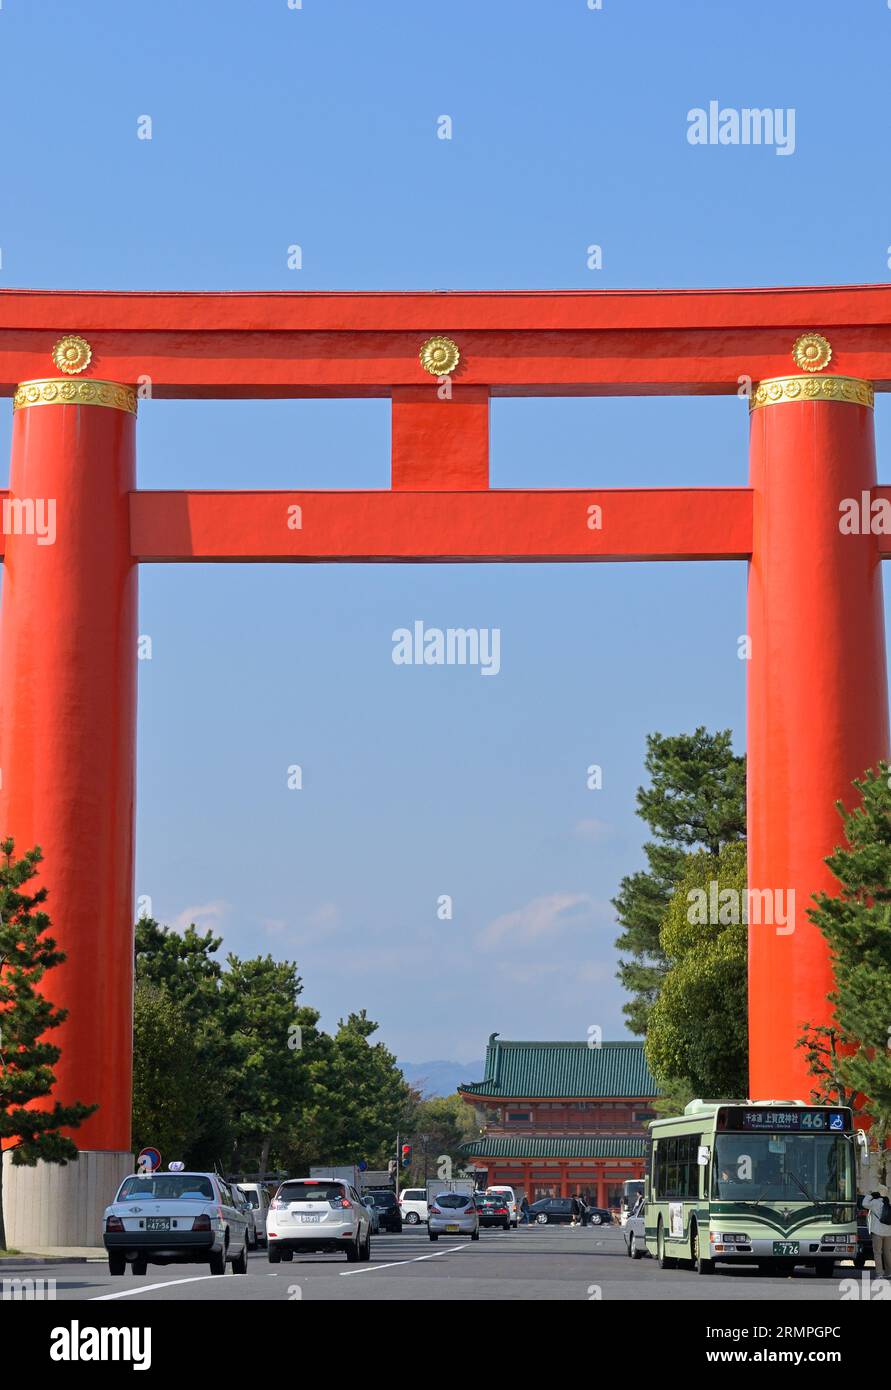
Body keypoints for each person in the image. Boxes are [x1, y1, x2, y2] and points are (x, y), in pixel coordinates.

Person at [862, 1185, 891, 1277]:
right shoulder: (888, 1203)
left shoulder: (874, 1202)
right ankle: (889, 1272)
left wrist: (870, 1195)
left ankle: (879, 1274)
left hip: (877, 1232)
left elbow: (864, 1203)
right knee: (888, 1253)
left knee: (878, 1253)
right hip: (888, 1232)